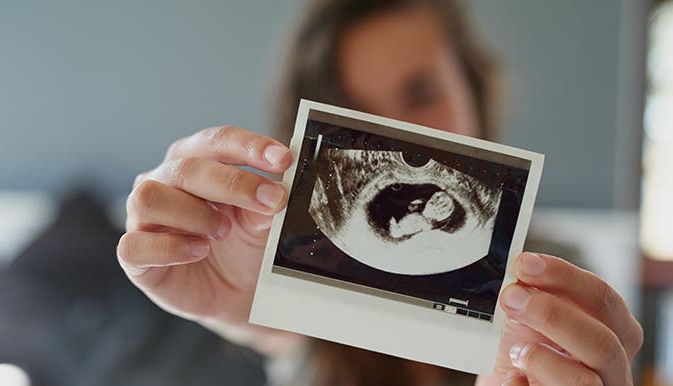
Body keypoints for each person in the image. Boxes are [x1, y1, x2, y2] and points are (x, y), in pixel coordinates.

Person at [116, 0, 643, 385]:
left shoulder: (554, 282)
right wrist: (247, 310)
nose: (397, 140)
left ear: (476, 92)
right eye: (355, 111)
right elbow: (297, 348)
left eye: (421, 93)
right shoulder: (305, 306)